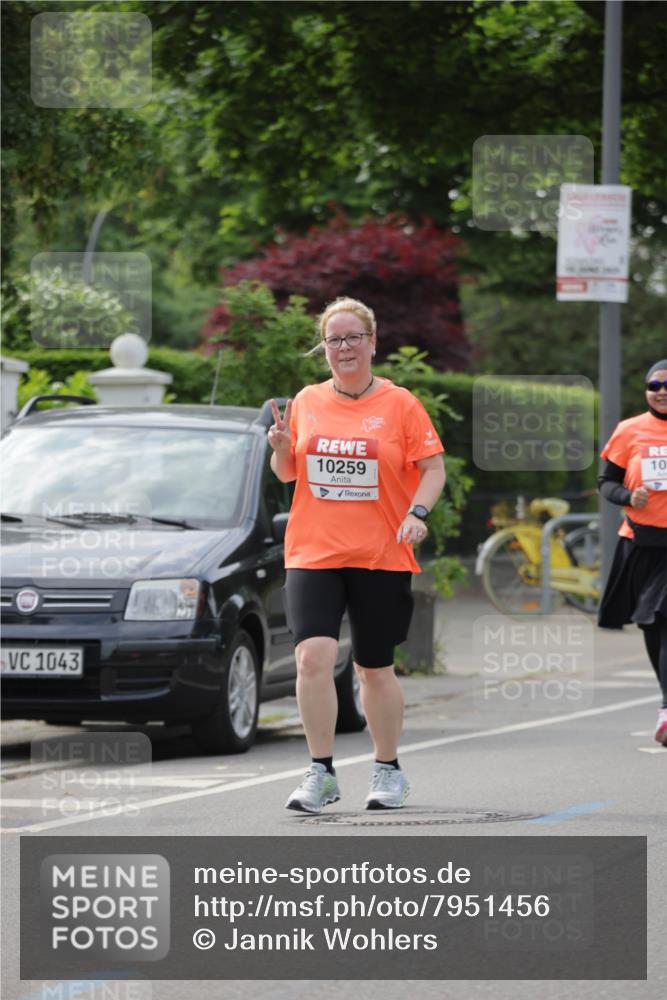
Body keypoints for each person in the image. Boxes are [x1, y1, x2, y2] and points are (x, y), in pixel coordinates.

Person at [268, 296, 446, 813]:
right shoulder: (307, 400)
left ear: (372, 342)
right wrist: (280, 447)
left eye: (352, 337)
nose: (343, 347)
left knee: (373, 667)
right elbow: (289, 473)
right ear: (324, 348)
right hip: (313, 550)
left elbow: (433, 469)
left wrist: (417, 513)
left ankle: (388, 769)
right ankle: (320, 771)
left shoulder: (400, 403)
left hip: (379, 552)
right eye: (333, 340)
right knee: (312, 656)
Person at [597, 359, 667, 746]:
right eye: (654, 385)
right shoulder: (630, 430)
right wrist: (629, 496)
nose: (661, 391)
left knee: (663, 617)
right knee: (650, 623)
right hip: (641, 542)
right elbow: (606, 482)